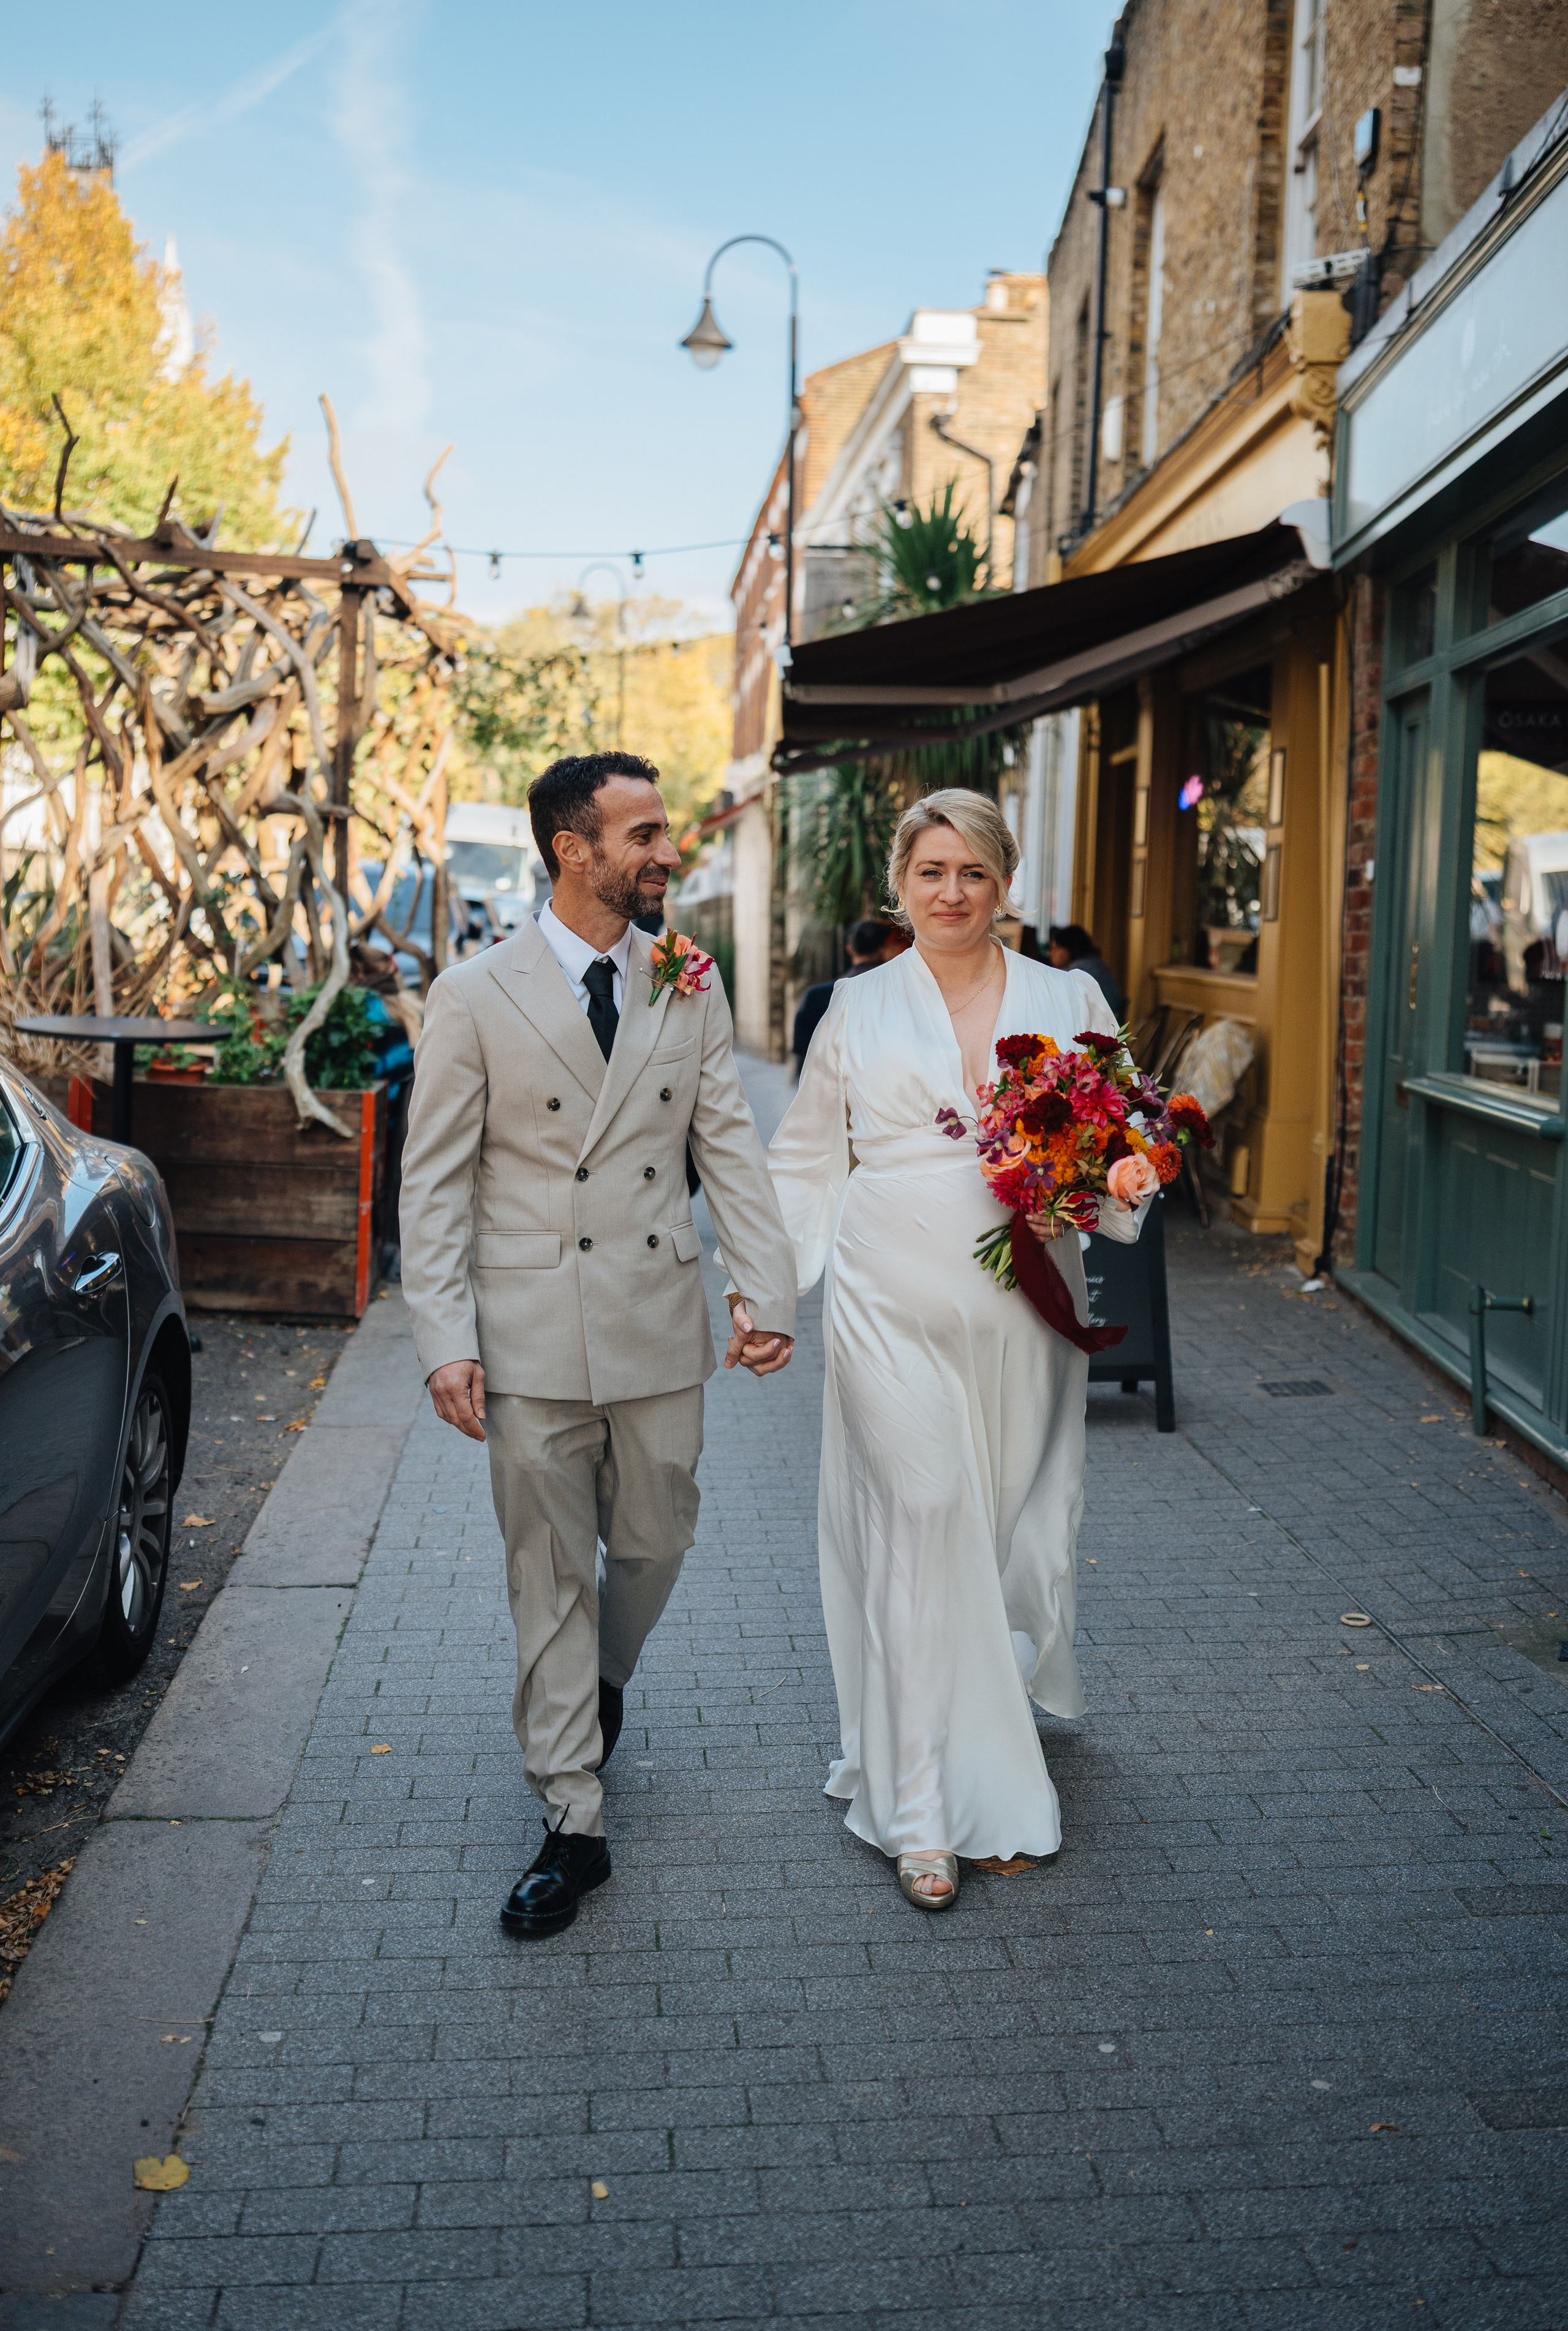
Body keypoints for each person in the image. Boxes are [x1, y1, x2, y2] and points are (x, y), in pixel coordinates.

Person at [399, 751, 797, 1938]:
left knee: (657, 1534)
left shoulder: (685, 977)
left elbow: (725, 1141)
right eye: (642, 834)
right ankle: (570, 1818)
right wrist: (442, 1339)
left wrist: (764, 1289)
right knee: (549, 1573)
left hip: (657, 1316)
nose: (664, 850)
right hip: (526, 1334)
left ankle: (601, 1686)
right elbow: (432, 1186)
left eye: (662, 831)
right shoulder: (474, 994)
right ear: (573, 850)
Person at [766, 790, 1152, 1911]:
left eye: (972, 872)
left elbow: (1126, 1142)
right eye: (931, 871)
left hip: (1026, 1309)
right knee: (924, 1515)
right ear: (902, 881)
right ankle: (924, 1808)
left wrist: (1116, 1179)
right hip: (886, 1300)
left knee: (986, 1537)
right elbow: (804, 1159)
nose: (950, 893)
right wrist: (768, 1293)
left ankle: (959, 1741)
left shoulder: (1067, 995)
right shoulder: (855, 1004)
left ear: (1003, 880)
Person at [792, 919, 891, 1073]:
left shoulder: (818, 995)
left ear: (849, 949)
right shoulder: (895, 990)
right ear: (884, 948)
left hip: (832, 1079)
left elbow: (802, 1048)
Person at [1047, 922, 1126, 1023]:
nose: (1051, 954)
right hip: (1107, 1025)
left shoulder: (1082, 969)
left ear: (1068, 948)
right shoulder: (1092, 962)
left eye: (1055, 948)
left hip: (1102, 1028)